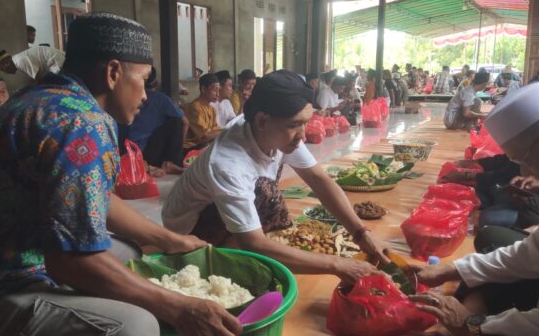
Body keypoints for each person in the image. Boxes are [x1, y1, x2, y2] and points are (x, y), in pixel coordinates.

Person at [0, 12, 243, 336]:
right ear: (113, 72)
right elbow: (69, 262)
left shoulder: (43, 98)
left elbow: (95, 198)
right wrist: (180, 308)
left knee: (128, 255)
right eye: (144, 80)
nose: (147, 96)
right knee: (134, 332)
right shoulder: (81, 123)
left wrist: (170, 240)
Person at [393, 82, 539, 336]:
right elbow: (536, 253)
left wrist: (476, 325)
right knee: (481, 276)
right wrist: (449, 270)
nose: (525, 173)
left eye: (524, 160)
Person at [162, 70, 389, 287]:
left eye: (305, 122)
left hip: (219, 207)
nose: (302, 135)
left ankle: (240, 245)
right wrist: (338, 264)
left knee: (266, 195)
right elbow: (253, 243)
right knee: (264, 196)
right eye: (295, 125)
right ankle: (218, 254)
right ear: (262, 121)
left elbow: (320, 180)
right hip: (190, 228)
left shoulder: (279, 131)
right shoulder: (228, 164)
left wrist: (360, 233)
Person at [117, 66, 188, 176]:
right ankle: (173, 162)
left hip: (127, 149)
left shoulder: (125, 98)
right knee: (176, 121)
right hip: (138, 151)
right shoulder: (159, 98)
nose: (144, 97)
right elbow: (185, 122)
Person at [182, 73, 221, 153]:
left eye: (218, 90)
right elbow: (204, 136)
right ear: (203, 89)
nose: (218, 94)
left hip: (205, 145)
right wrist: (225, 130)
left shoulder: (212, 109)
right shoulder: (195, 107)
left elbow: (216, 130)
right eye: (214, 90)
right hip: (192, 147)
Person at [0, 46, 65, 82]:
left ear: (6, 64)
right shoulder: (17, 60)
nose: (4, 72)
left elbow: (38, 79)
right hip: (56, 65)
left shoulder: (19, 61)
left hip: (58, 64)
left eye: (2, 69)